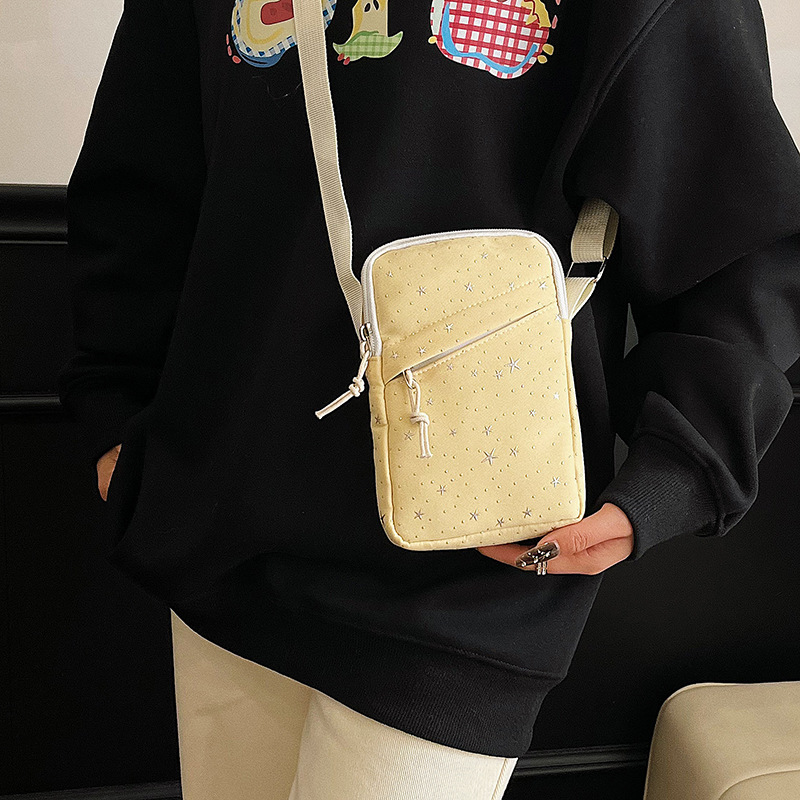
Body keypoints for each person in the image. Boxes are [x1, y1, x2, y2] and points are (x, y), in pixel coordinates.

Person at [58, 0, 800, 796]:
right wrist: (115, 416)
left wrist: (678, 474)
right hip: (221, 536)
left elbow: (737, 232)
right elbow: (144, 177)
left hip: (469, 571)